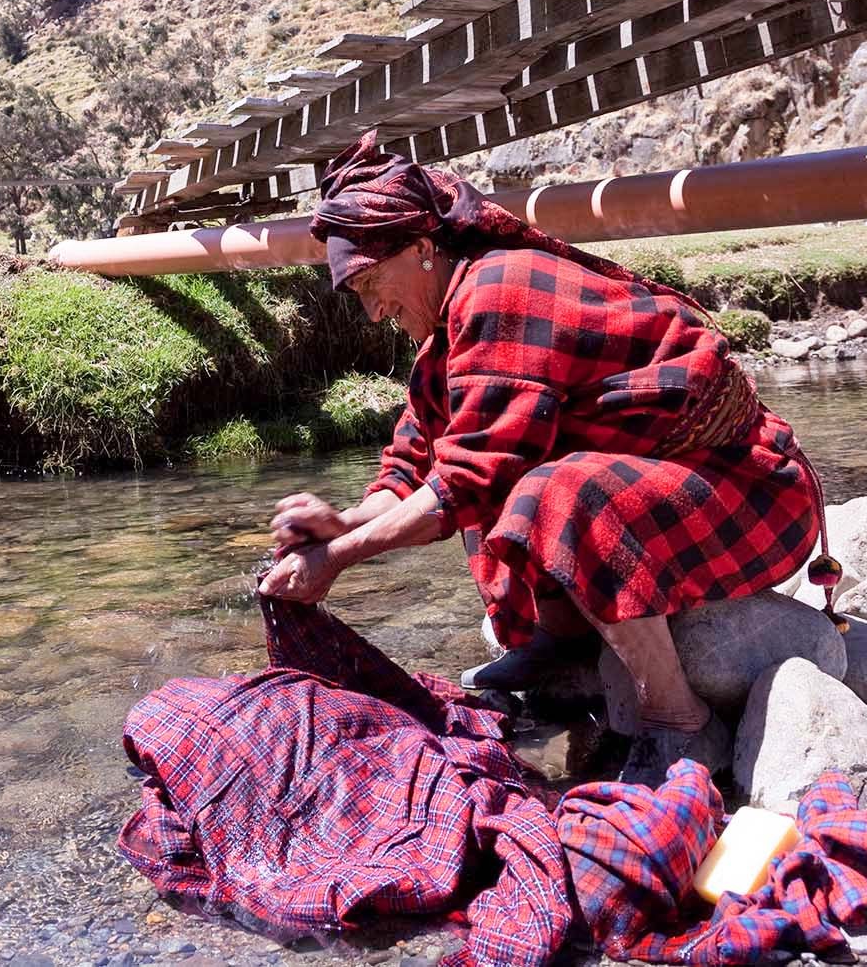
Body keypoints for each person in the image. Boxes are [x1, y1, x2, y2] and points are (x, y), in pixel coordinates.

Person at [257, 131, 826, 784]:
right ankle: (560, 648)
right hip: (680, 498)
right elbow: (415, 465)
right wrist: (347, 522)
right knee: (498, 474)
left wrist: (336, 560)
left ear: (420, 250)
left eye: (370, 285)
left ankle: (679, 720)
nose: (373, 309)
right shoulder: (448, 338)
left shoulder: (503, 291)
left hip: (755, 493)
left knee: (558, 492)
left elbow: (463, 484)